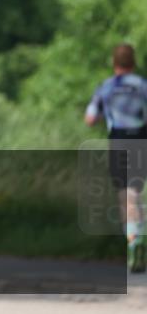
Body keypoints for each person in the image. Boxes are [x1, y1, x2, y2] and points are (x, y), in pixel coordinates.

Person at [84, 43, 147, 274]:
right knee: (135, 192)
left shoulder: (106, 87)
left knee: (125, 195)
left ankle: (133, 240)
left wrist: (107, 114)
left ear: (114, 63)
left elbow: (90, 118)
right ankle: (138, 235)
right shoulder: (143, 85)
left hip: (118, 140)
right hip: (141, 139)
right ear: (134, 62)